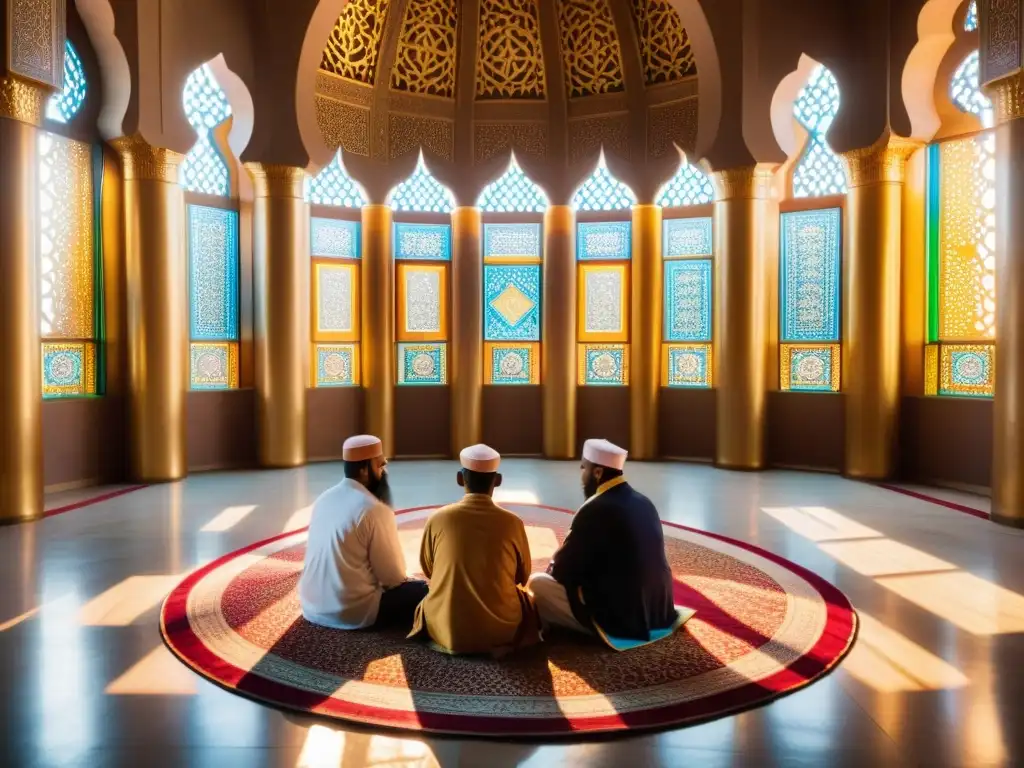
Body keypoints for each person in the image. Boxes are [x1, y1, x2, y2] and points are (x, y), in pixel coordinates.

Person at [528, 439, 680, 646]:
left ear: (597, 473)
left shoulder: (594, 509)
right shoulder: (644, 501)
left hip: (623, 618)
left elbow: (562, 571)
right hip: (658, 610)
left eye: (584, 468)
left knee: (538, 583)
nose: (581, 476)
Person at [409, 444, 540, 656]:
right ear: (497, 481)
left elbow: (429, 569)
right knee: (528, 603)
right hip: (502, 630)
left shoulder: (438, 518)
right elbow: (522, 577)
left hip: (447, 629)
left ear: (460, 479)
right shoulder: (513, 523)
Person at [299, 434, 427, 631]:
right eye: (380, 466)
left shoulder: (324, 498)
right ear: (364, 469)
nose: (384, 472)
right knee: (427, 591)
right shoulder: (373, 509)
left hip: (311, 606)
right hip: (350, 611)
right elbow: (393, 578)